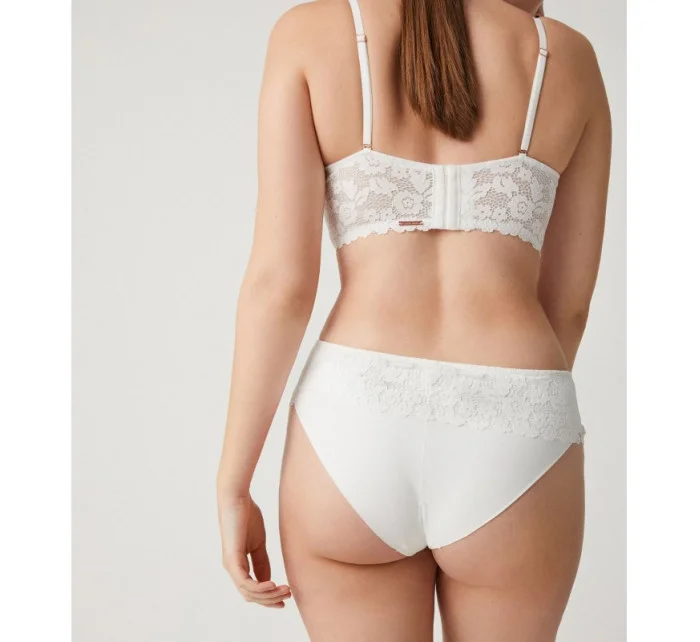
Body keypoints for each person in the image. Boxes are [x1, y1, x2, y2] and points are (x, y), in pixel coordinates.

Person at [217, 0, 611, 639]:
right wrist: (506, 426)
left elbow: (280, 287)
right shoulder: (564, 57)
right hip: (516, 421)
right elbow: (568, 304)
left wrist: (234, 483)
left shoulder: (308, 34)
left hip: (352, 424)